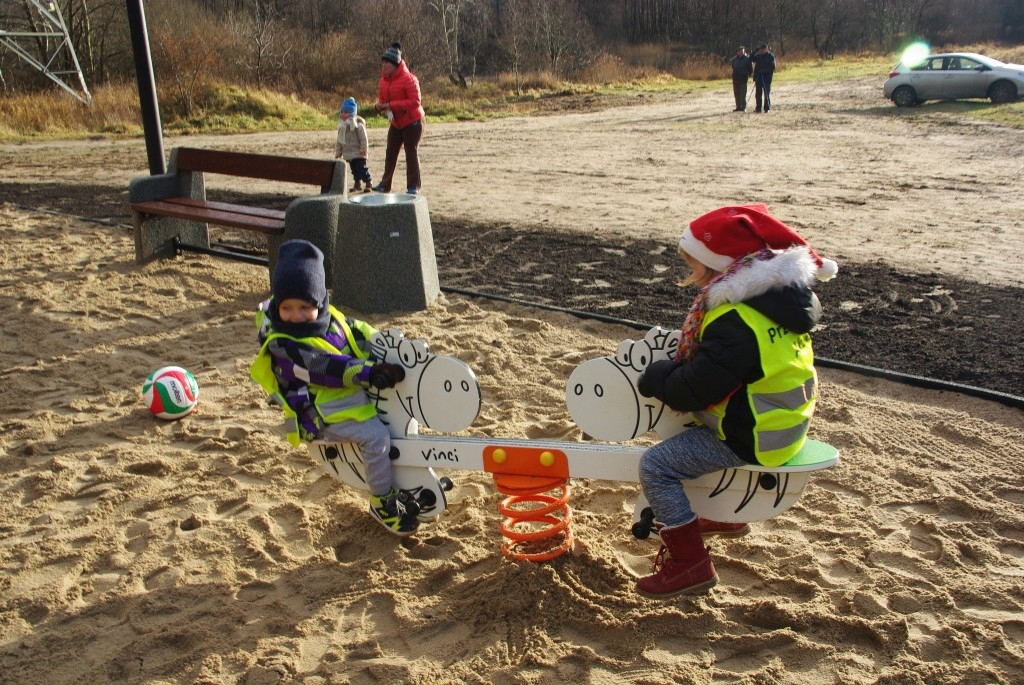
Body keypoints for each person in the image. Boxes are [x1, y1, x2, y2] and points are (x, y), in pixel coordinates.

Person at [634, 204, 838, 598]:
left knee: (657, 466)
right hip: (783, 422)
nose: (691, 279)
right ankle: (723, 514)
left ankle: (690, 564)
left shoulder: (735, 321)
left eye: (694, 268)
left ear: (720, 268)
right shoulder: (777, 306)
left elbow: (695, 389)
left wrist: (657, 376)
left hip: (754, 435)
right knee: (688, 437)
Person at [249, 240, 419, 536]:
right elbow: (325, 368)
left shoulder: (329, 317)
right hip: (318, 413)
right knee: (376, 436)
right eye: (286, 308)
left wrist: (386, 345)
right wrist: (370, 372)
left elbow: (356, 330)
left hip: (343, 401)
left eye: (305, 307)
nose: (295, 315)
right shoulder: (284, 344)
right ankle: (382, 502)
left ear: (320, 302)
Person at [372, 42, 425, 195]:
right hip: (396, 122)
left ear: (395, 64)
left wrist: (392, 105)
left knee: (411, 152)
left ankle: (413, 186)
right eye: (383, 62)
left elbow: (416, 102)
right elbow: (383, 99)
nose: (384, 65)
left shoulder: (410, 79)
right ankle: (385, 184)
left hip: (413, 121)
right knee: (391, 152)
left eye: (387, 62)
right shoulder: (382, 80)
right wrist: (379, 106)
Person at [335, 97, 372, 193]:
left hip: (359, 153)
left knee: (361, 168)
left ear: (352, 114)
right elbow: (339, 141)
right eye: (342, 112)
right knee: (354, 170)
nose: (343, 114)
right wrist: (338, 153)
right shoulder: (342, 127)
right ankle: (357, 183)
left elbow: (363, 139)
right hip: (348, 153)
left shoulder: (358, 126)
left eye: (346, 112)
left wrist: (364, 149)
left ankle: (368, 181)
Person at [751, 43, 776, 112]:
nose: (762, 50)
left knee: (766, 93)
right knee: (758, 94)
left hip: (767, 78)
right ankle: (758, 108)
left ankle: (767, 108)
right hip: (758, 78)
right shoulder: (759, 56)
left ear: (767, 49)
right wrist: (755, 51)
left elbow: (773, 67)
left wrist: (764, 71)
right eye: (761, 49)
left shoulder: (771, 57)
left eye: (764, 49)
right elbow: (751, 58)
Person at [731, 46, 752, 112]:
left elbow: (750, 69)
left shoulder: (747, 59)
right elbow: (733, 67)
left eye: (742, 51)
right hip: (735, 78)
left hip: (743, 78)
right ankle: (738, 106)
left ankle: (743, 107)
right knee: (736, 94)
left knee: (743, 94)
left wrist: (747, 75)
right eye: (739, 51)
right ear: (737, 52)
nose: (741, 52)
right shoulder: (734, 59)